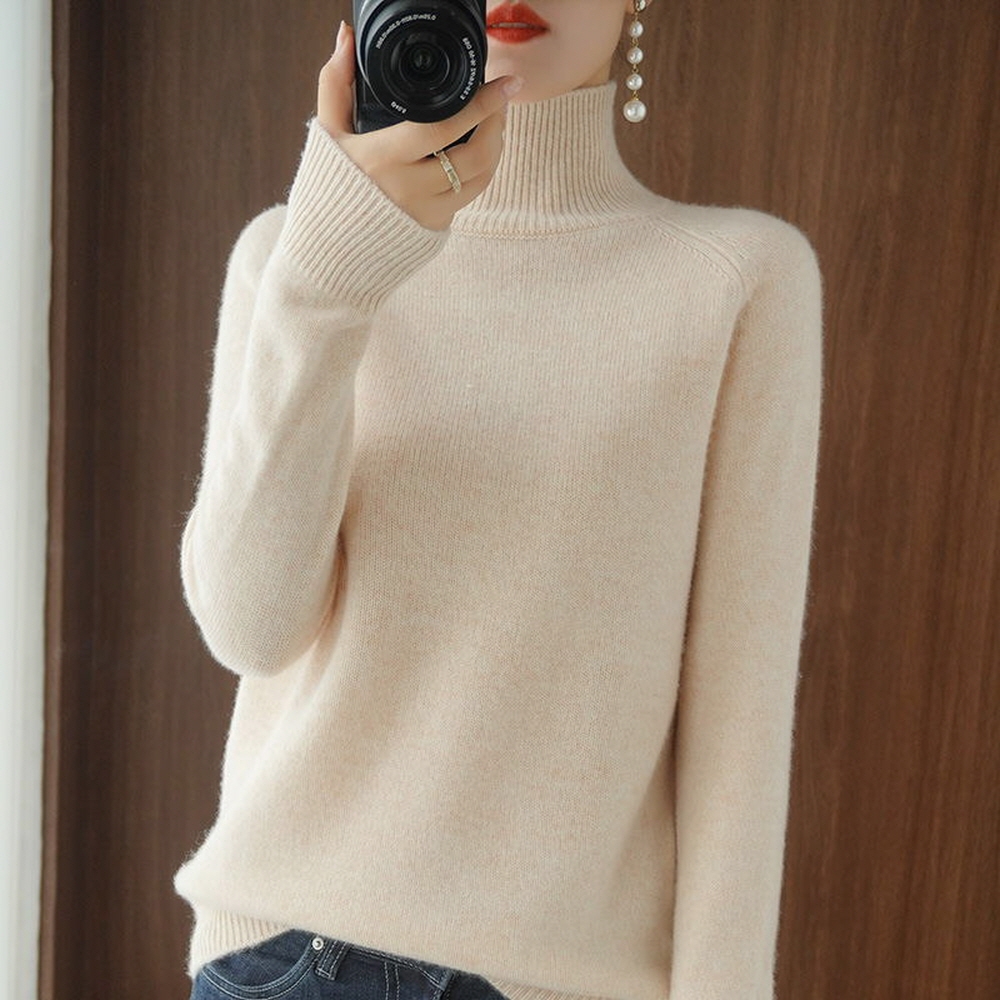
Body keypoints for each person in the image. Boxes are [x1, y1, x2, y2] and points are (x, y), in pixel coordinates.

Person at [173, 2, 824, 999]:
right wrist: (328, 274)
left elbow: (740, 726)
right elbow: (250, 628)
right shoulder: (296, 257)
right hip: (289, 957)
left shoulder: (737, 279)